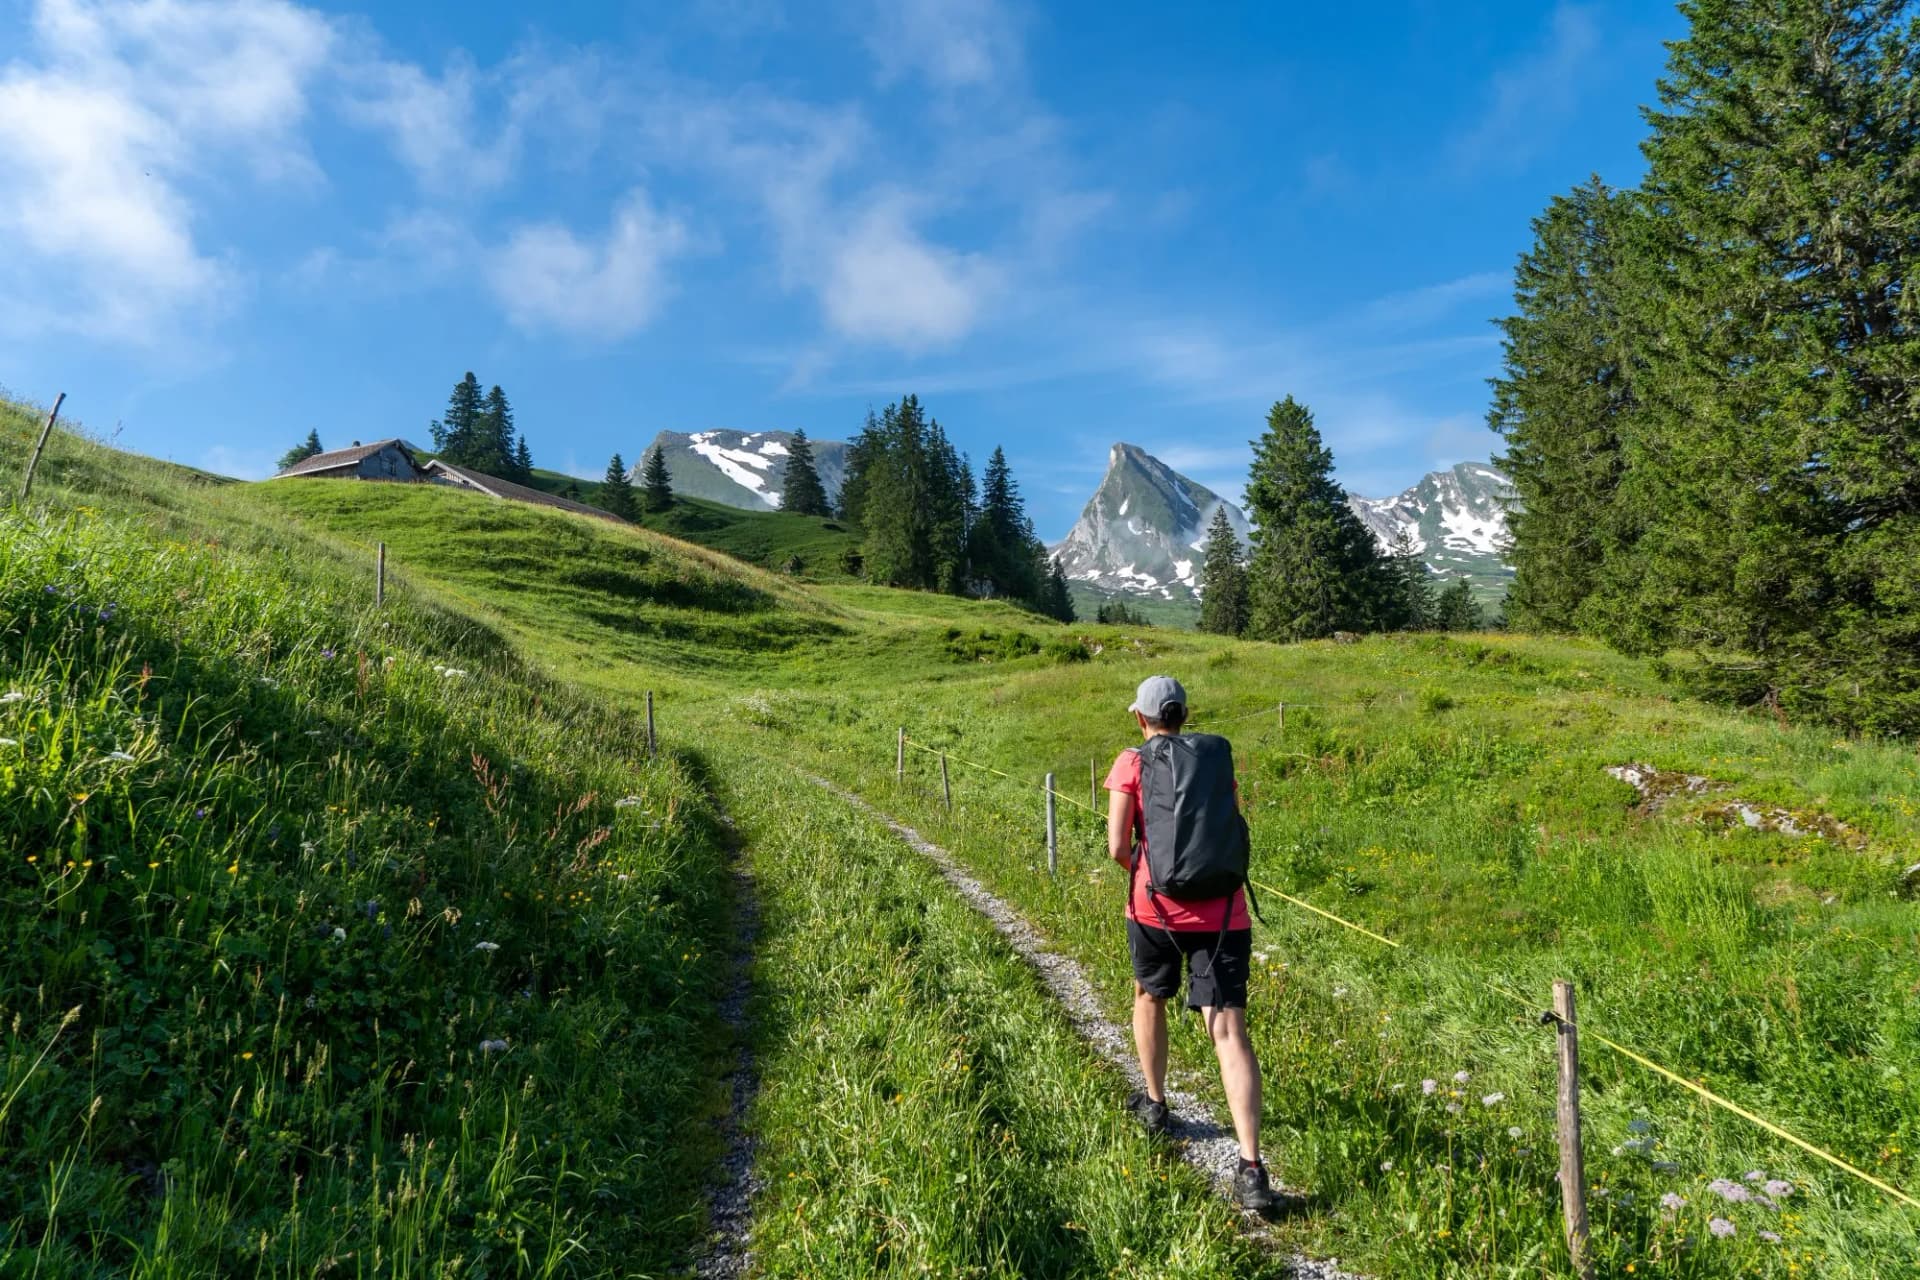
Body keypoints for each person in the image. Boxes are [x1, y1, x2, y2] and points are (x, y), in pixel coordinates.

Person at [1105, 674, 1275, 1211]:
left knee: (1149, 996)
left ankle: (1156, 1105)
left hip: (1154, 908)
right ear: (1183, 714)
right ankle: (1251, 1169)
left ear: (1141, 718)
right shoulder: (1212, 760)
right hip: (1225, 910)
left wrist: (1147, 873)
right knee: (1228, 1030)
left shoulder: (1130, 763)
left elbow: (1116, 846)